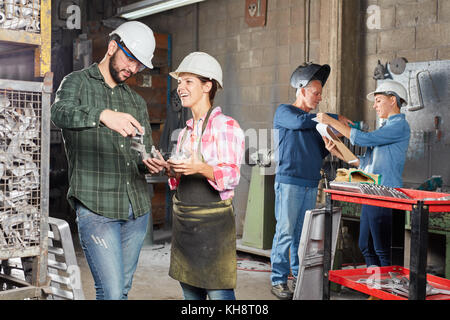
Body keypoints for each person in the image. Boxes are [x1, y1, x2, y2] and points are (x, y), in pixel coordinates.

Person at [51, 21, 157, 300]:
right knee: (110, 292)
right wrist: (102, 115)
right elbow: (59, 113)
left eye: (139, 66)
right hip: (97, 208)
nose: (133, 70)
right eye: (131, 60)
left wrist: (150, 162)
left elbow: (142, 151)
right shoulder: (76, 82)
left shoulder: (136, 102)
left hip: (136, 207)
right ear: (113, 46)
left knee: (120, 290)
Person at [146, 52, 245, 300]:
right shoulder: (184, 133)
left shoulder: (226, 126)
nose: (180, 88)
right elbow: (180, 180)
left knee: (219, 292)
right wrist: (169, 168)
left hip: (213, 227)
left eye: (188, 81)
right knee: (190, 292)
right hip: (185, 225)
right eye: (179, 82)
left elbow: (232, 176)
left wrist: (200, 167)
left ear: (207, 86)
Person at [270, 62, 353, 300]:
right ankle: (278, 279)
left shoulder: (315, 123)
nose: (319, 97)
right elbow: (300, 123)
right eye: (315, 93)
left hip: (309, 182)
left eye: (320, 94)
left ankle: (298, 276)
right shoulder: (285, 112)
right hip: (289, 182)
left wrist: (329, 144)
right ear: (302, 89)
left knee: (300, 235)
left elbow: (317, 151)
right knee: (285, 232)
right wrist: (333, 118)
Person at [316, 79, 411, 268]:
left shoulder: (399, 126)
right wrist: (337, 151)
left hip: (386, 193)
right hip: (371, 192)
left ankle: (385, 293)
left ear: (393, 100)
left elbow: (364, 139)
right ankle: (373, 289)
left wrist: (330, 120)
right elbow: (364, 163)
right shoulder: (385, 128)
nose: (374, 106)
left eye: (378, 101)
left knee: (382, 249)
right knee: (365, 245)